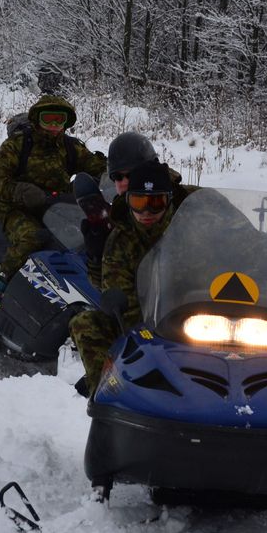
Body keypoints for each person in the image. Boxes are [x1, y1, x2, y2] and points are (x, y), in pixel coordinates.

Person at [70, 158, 191, 396]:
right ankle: (107, 398)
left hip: (200, 315)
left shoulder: (191, 224)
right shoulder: (120, 241)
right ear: (128, 201)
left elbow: (236, 241)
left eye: (155, 203)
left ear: (168, 200)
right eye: (138, 202)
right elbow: (121, 300)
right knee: (85, 324)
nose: (146, 211)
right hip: (147, 325)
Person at [0, 94, 107, 313]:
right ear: (36, 119)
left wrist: (125, 175)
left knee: (88, 236)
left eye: (59, 120)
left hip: (56, 205)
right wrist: (21, 191)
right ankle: (0, 281)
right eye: (47, 119)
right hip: (13, 206)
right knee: (31, 237)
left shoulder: (70, 147)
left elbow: (99, 167)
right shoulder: (17, 145)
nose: (53, 126)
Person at [78, 131, 160, 288]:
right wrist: (97, 255)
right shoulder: (119, 222)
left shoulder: (181, 198)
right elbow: (107, 285)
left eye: (132, 174)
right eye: (117, 177)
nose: (124, 182)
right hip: (148, 304)